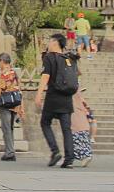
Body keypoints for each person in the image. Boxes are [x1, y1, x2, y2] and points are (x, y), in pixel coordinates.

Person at [36, 33, 76, 168]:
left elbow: (45, 76)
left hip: (53, 98)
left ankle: (55, 151)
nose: (48, 44)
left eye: (50, 41)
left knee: (45, 122)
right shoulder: (69, 58)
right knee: (67, 129)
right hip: (67, 98)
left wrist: (39, 94)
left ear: (54, 43)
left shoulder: (49, 57)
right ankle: (69, 159)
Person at [0, 52, 24, 161]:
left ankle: (10, 152)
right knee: (10, 128)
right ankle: (10, 150)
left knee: (6, 128)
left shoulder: (2, 74)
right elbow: (19, 89)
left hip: (5, 103)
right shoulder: (15, 73)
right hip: (15, 103)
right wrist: (21, 106)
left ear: (2, 61)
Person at [70, 90, 93, 167]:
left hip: (75, 114)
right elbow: (83, 101)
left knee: (75, 137)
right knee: (83, 137)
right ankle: (86, 155)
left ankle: (82, 156)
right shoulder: (75, 87)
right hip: (81, 116)